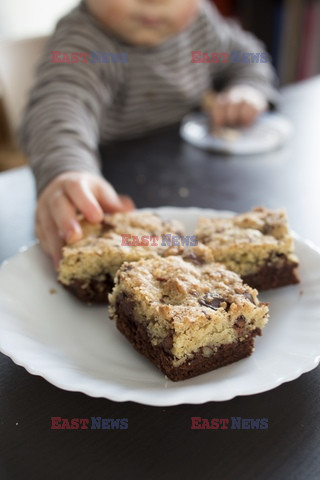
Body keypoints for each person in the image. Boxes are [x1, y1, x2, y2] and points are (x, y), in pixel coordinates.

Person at [20, 0, 278, 268]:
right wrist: (67, 169)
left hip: (195, 186)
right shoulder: (85, 42)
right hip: (111, 202)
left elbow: (248, 57)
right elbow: (59, 106)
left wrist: (248, 87)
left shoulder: (200, 25)